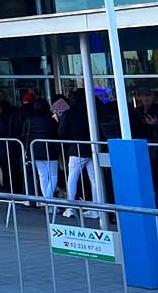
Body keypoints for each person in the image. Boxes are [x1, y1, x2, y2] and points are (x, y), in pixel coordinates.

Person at [57, 90, 101, 219]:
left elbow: (62, 132)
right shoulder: (92, 112)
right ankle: (97, 208)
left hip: (76, 149)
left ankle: (70, 207)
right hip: (92, 147)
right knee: (94, 179)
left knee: (72, 178)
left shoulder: (69, 113)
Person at [24, 97, 60, 209]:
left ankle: (47, 201)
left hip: (35, 150)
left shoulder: (30, 119)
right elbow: (58, 132)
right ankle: (49, 200)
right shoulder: (51, 119)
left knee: (42, 176)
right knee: (53, 175)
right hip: (51, 150)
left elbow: (24, 133)